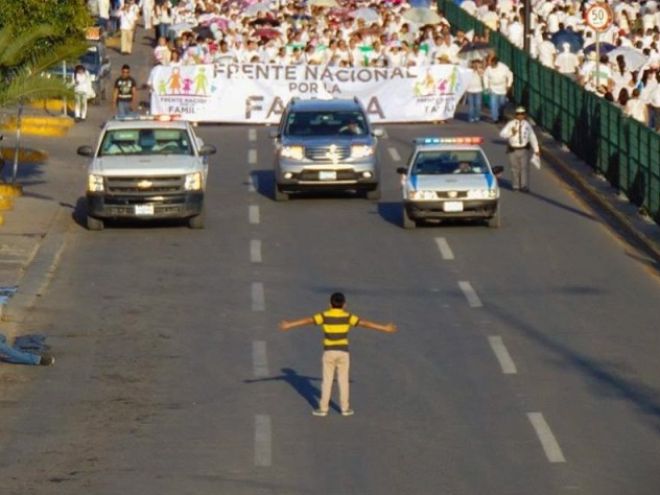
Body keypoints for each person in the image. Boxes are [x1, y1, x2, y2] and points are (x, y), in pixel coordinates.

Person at [279, 292, 397, 417]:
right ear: (344, 305)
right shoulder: (348, 317)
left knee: (327, 380)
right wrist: (384, 328)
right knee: (343, 380)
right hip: (343, 352)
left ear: (329, 304)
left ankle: (323, 409)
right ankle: (345, 409)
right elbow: (364, 323)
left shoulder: (324, 315)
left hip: (329, 352)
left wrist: (289, 325)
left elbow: (308, 320)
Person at [499, 106, 540, 192]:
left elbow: (532, 137)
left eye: (522, 114)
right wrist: (511, 133)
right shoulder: (511, 124)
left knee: (524, 168)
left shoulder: (527, 125)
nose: (520, 116)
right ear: (516, 115)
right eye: (518, 114)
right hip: (513, 149)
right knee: (514, 168)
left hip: (524, 149)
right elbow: (502, 134)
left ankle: (524, 185)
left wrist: (536, 150)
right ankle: (516, 185)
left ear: (524, 115)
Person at [484, 56, 513, 123]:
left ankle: (500, 115)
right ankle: (495, 118)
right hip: (493, 88)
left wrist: (509, 85)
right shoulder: (488, 69)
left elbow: (510, 75)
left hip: (502, 89)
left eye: (493, 64)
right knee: (493, 103)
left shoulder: (504, 68)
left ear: (496, 63)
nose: (491, 65)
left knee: (502, 104)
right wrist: (486, 87)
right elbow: (485, 76)